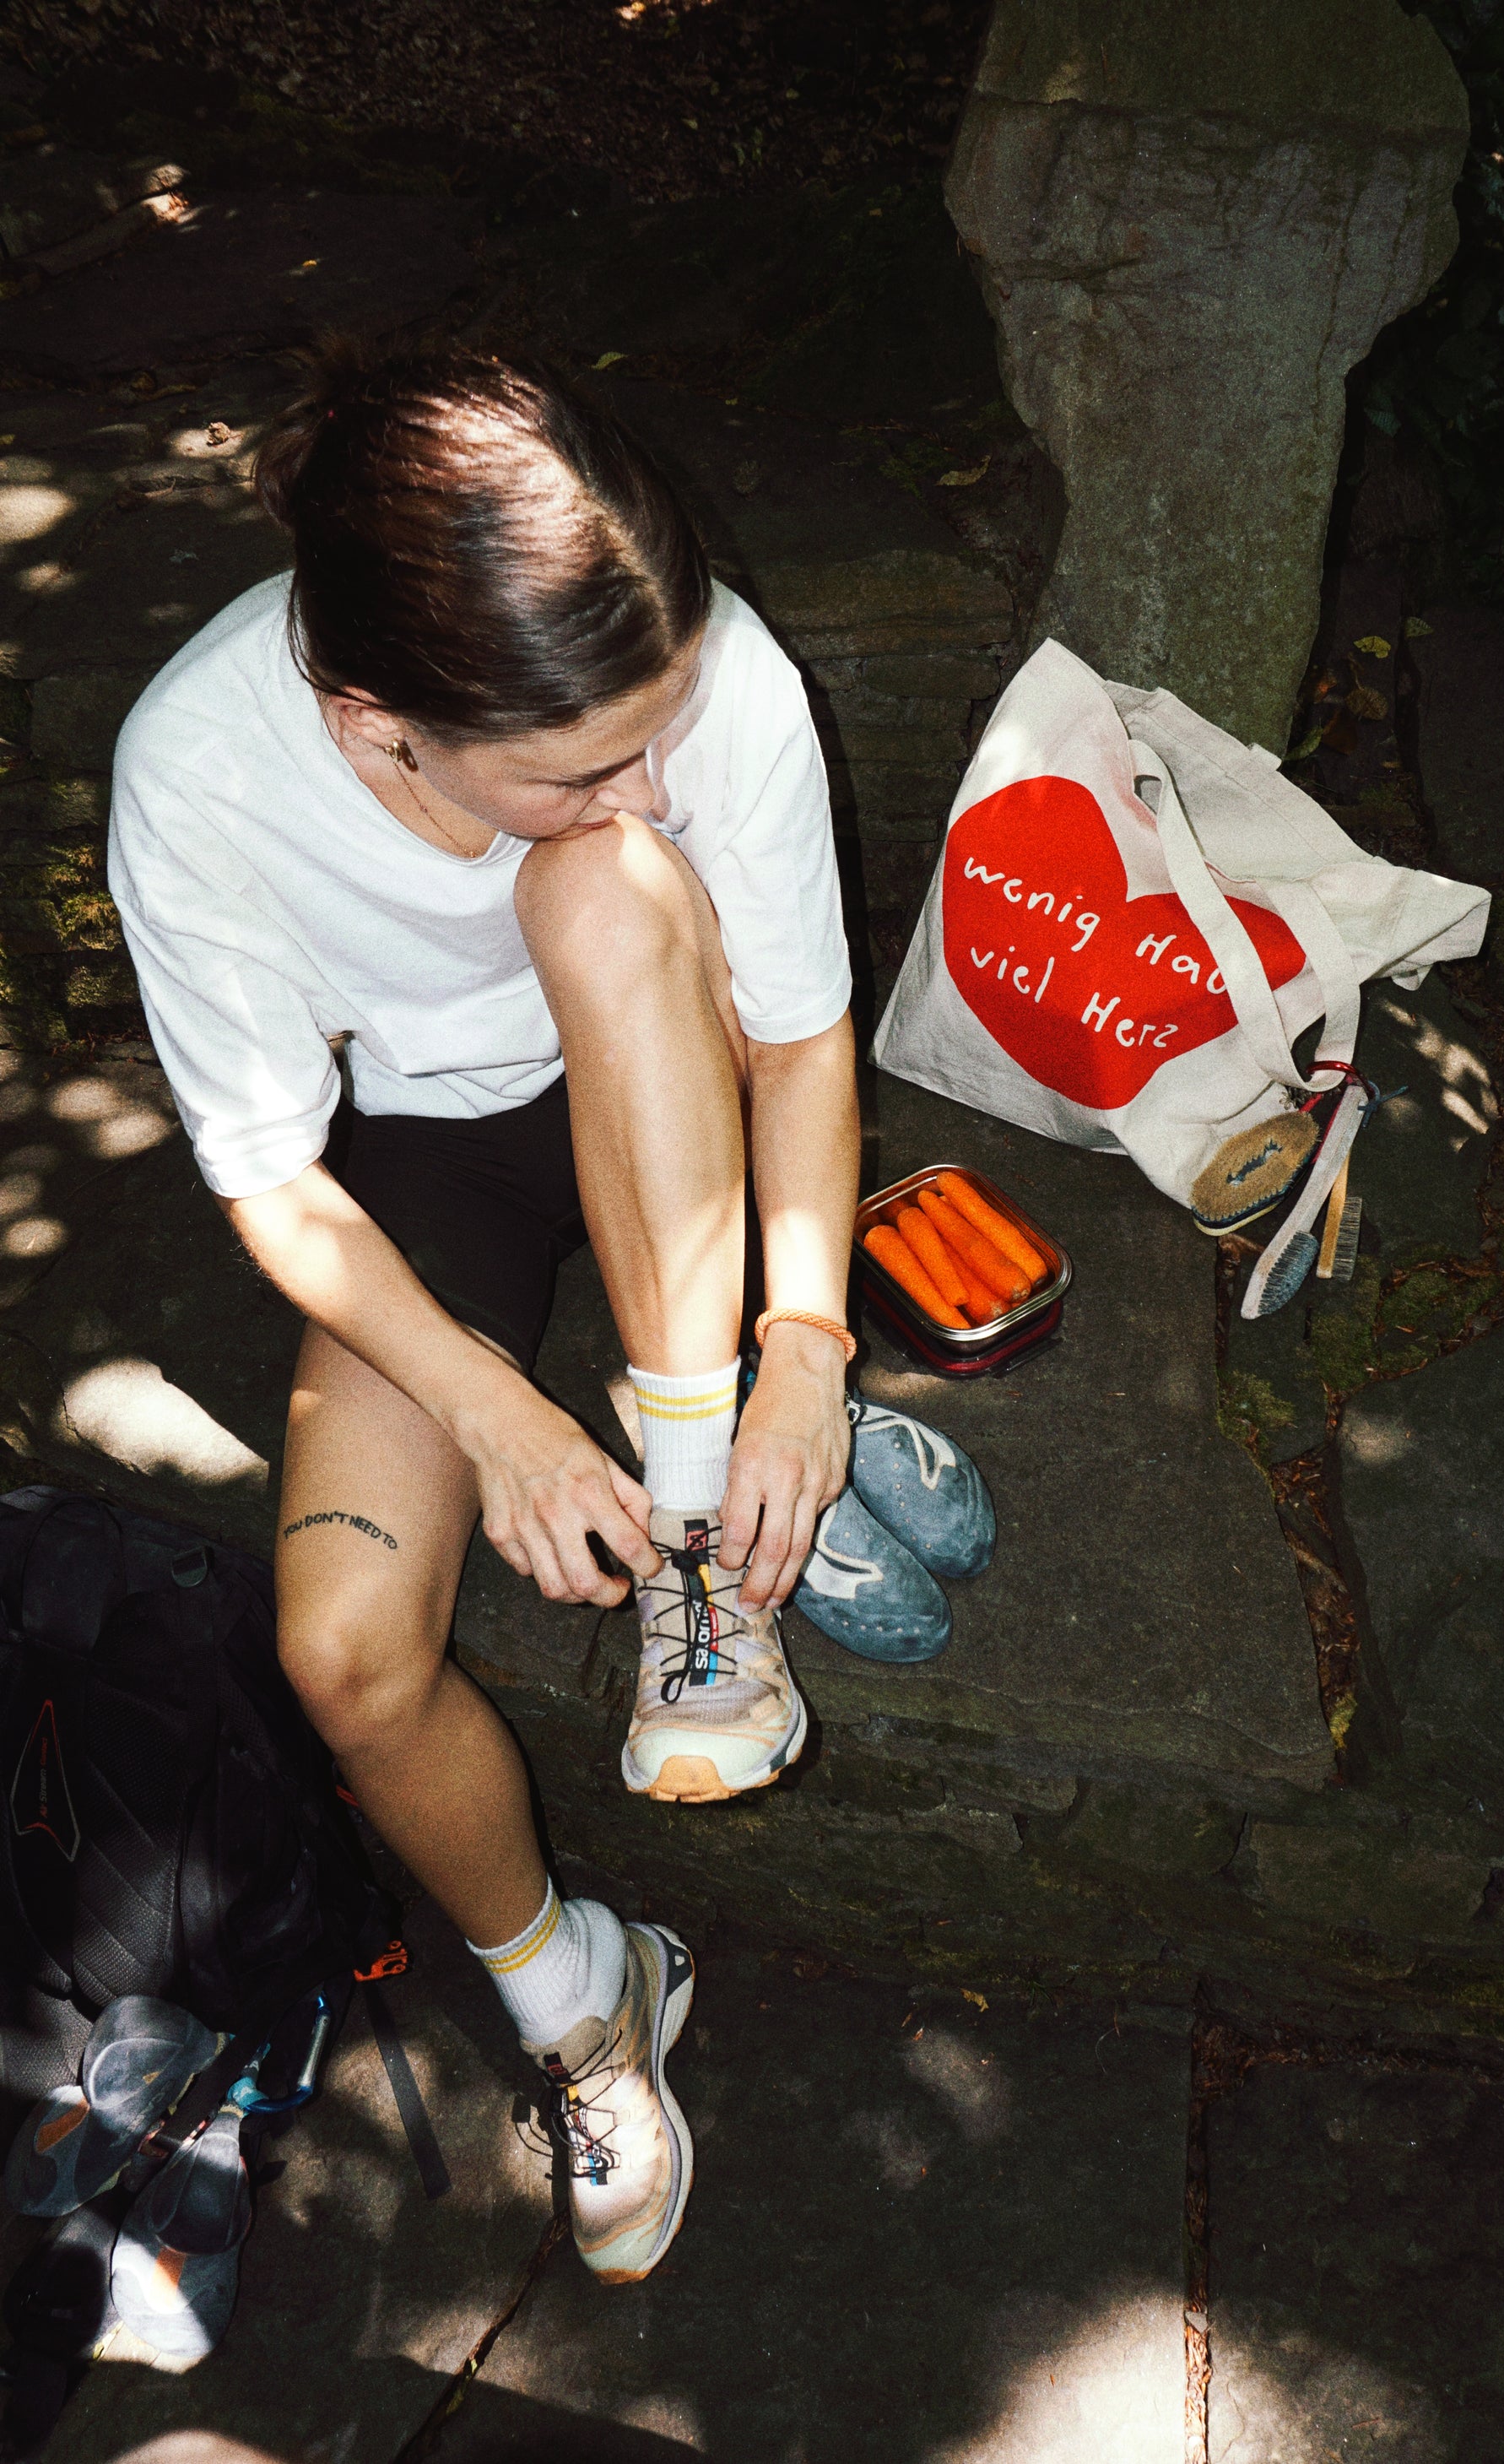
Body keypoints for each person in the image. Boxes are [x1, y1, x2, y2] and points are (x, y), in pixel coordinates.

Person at [107, 341, 862, 2286]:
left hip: (665, 1060)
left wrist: (803, 1357)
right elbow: (280, 1181)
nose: (654, 778)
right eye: (584, 759)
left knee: (607, 893)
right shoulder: (199, 769)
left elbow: (796, 1031)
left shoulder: (710, 685)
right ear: (381, 731)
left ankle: (706, 1531)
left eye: (662, 725)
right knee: (342, 1650)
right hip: (421, 1163)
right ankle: (582, 2002)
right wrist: (501, 1414)